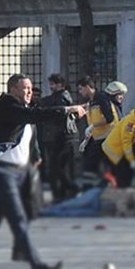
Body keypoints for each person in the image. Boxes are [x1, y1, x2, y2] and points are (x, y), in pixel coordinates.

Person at [0, 74, 85, 269]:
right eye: (24, 88)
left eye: (30, 87)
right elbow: (35, 116)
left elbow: (30, 132)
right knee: (17, 218)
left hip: (18, 173)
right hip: (2, 172)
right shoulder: (7, 105)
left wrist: (34, 157)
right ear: (12, 89)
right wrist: (68, 109)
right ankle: (37, 264)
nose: (28, 91)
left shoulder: (24, 109)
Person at [40, 74, 79, 202]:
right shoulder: (59, 97)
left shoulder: (62, 96)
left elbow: (57, 110)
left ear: (60, 85)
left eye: (53, 84)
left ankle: (65, 192)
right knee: (60, 168)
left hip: (63, 137)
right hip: (62, 137)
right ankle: (63, 192)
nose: (51, 87)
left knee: (58, 168)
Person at [102, 100, 135, 188]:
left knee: (126, 176)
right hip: (113, 151)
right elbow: (126, 142)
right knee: (120, 178)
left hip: (123, 151)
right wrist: (132, 160)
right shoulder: (130, 122)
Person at [76, 77, 117, 183]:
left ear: (87, 87)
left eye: (81, 89)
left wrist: (92, 126)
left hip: (108, 137)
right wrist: (86, 140)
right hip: (99, 138)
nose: (80, 92)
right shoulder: (92, 101)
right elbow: (94, 119)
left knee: (93, 165)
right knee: (93, 164)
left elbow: (109, 118)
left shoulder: (101, 98)